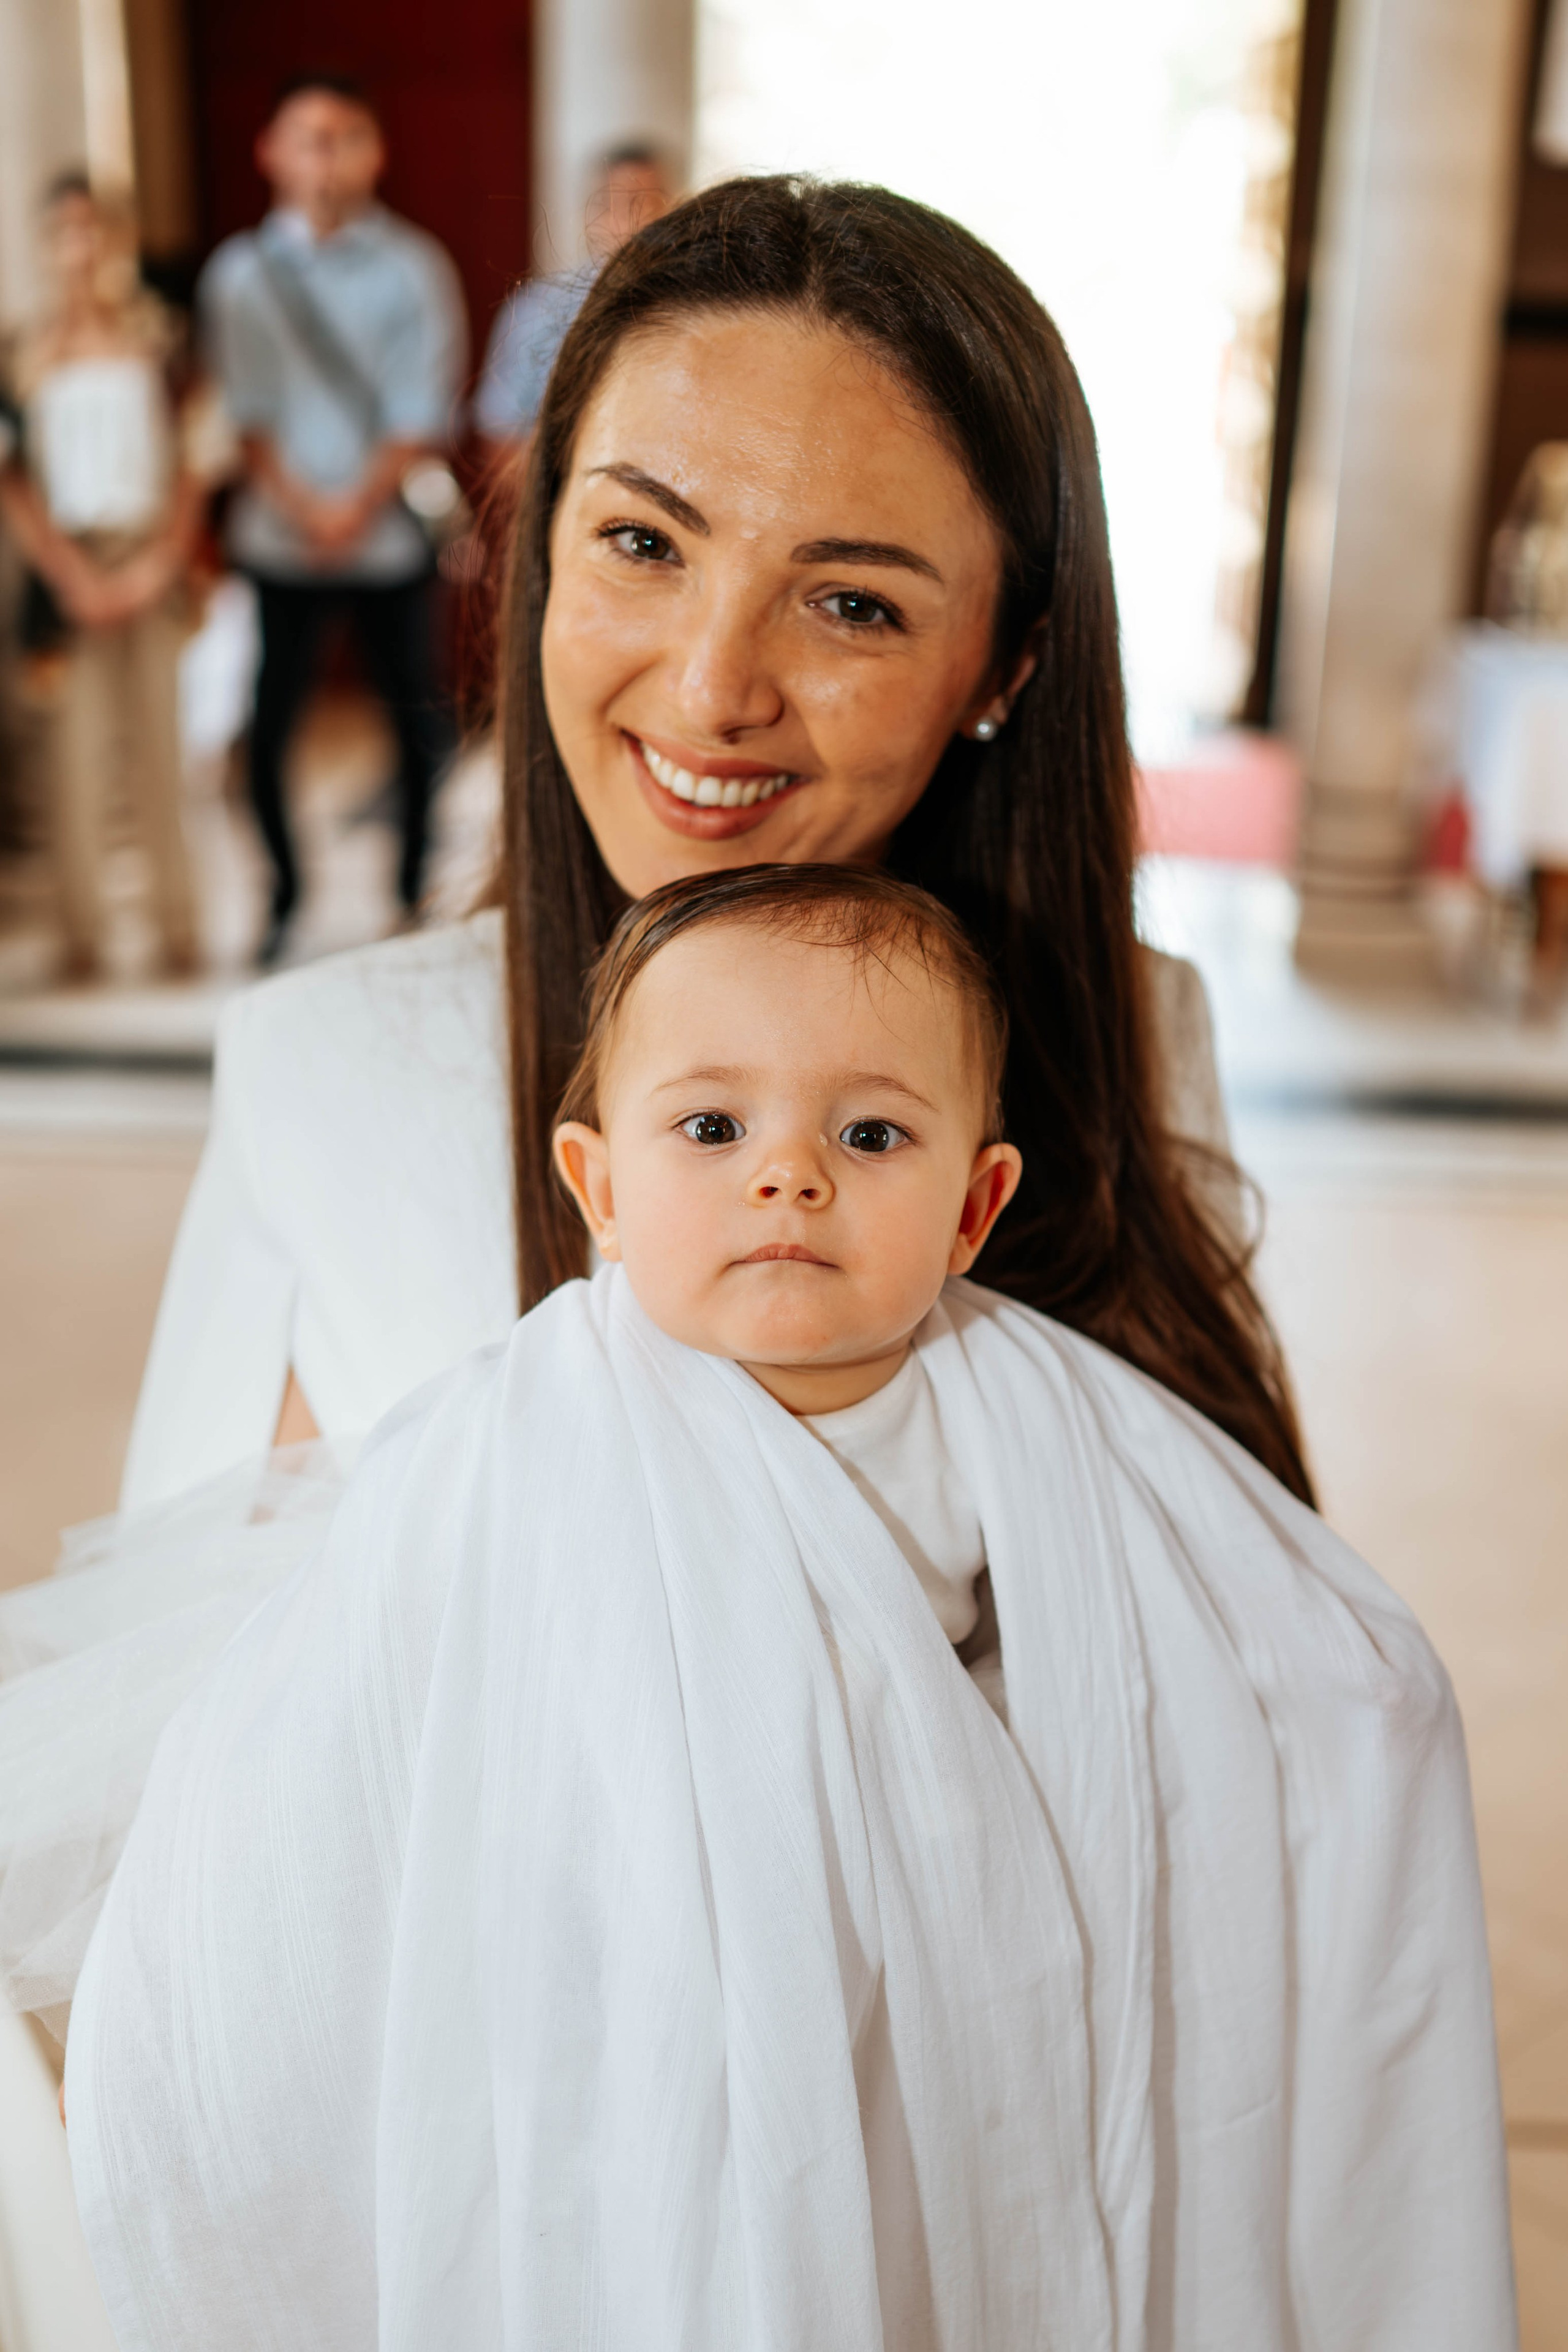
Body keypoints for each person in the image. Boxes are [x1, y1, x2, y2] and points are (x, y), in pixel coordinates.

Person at [1, 174, 1326, 2345]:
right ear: (527, 555)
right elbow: (201, 1868)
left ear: (1005, 662)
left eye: (856, 603)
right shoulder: (339, 1078)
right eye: (639, 541)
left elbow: (1245, 1727)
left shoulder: (1136, 1033)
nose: (713, 686)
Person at [56, 865, 1510, 2344]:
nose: (788, 1174)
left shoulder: (1034, 1412)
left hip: (937, 1988)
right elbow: (354, 1703)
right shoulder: (504, 1432)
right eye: (710, 1126)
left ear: (972, 1205)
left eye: (868, 1133)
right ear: (600, 1186)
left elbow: (1242, 1614)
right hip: (635, 1963)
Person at [199, 74, 467, 962]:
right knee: (267, 724)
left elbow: (421, 408)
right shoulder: (238, 275)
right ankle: (282, 897)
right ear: (270, 151)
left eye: (345, 136)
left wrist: (351, 506)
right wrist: (305, 508)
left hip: (386, 537)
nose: (326, 155)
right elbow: (245, 413)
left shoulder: (415, 266)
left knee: (416, 721)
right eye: (307, 137)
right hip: (278, 539)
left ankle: (409, 895)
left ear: (375, 152)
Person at [0, 175, 203, 982]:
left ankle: (178, 925)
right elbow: (13, 481)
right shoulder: (22, 352)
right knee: (72, 753)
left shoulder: (161, 341)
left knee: (160, 744)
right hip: (65, 567)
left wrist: (158, 564)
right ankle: (81, 933)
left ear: (116, 242)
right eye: (64, 233)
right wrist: (68, 573)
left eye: (94, 231)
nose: (80, 250)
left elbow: (197, 461)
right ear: (47, 247)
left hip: (149, 552)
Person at [472, 141, 676, 464]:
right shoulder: (537, 309)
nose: (634, 222)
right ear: (590, 215)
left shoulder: (695, 308)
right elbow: (500, 435)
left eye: (649, 204)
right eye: (616, 206)